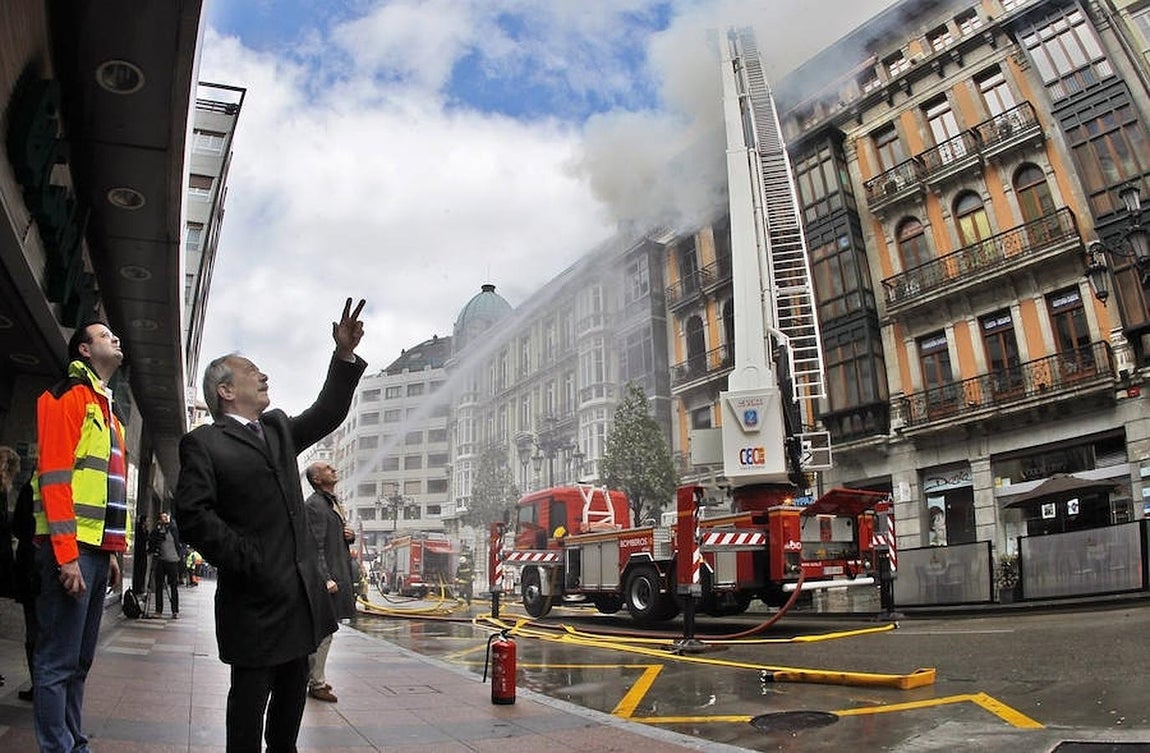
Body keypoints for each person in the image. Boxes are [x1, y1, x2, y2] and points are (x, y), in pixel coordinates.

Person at [174, 298, 366, 753]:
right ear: (225, 390)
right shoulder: (203, 444)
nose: (263, 376)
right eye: (253, 371)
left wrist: (342, 356)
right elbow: (193, 516)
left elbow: (326, 414)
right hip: (254, 602)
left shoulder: (278, 428)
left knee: (290, 704)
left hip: (299, 598)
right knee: (248, 704)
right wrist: (250, 561)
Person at [32, 321, 127, 752]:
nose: (115, 340)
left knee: (80, 662)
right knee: (57, 662)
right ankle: (59, 748)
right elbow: (54, 478)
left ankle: (74, 743)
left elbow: (107, 490)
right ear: (85, 351)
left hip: (92, 550)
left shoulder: (109, 413)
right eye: (105, 336)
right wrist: (66, 555)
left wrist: (110, 552)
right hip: (67, 551)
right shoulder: (67, 396)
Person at [302, 462, 356, 703]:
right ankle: (317, 683)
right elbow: (315, 546)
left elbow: (334, 538)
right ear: (316, 479)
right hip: (327, 580)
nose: (334, 469)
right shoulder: (314, 506)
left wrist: (350, 536)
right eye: (326, 468)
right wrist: (325, 579)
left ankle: (313, 676)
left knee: (324, 630)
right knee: (324, 632)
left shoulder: (331, 503)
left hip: (336, 575)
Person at [147, 511, 183, 618]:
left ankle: (175, 611)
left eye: (166, 517)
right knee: (159, 586)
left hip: (173, 561)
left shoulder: (174, 528)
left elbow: (179, 541)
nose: (164, 519)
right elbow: (151, 541)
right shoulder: (157, 529)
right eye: (162, 517)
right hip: (161, 560)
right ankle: (158, 610)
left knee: (173, 587)